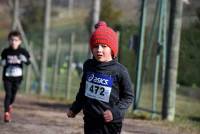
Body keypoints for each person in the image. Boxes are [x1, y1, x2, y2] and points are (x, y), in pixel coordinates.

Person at [67, 21, 134, 134]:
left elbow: (128, 97)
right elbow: (83, 90)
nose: (99, 50)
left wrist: (115, 112)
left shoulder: (120, 71)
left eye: (104, 46)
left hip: (110, 123)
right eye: (95, 46)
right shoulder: (88, 66)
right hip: (90, 120)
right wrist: (75, 108)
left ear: (112, 49)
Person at [1, 30, 31, 122]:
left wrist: (25, 60)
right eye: (12, 40)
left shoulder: (23, 51)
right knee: (8, 94)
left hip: (18, 77)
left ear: (20, 41)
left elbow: (28, 62)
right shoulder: (6, 51)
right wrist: (2, 62)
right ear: (9, 41)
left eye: (16, 40)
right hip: (7, 76)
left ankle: (9, 106)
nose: (14, 42)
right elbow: (2, 60)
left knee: (13, 95)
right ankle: (6, 114)